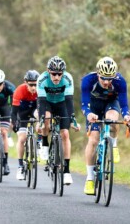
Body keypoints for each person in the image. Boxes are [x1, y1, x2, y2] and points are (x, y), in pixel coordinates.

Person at [81, 56, 130, 195]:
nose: (106, 81)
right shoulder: (88, 81)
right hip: (93, 106)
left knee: (112, 120)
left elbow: (124, 104)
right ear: (98, 73)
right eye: (103, 77)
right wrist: (88, 114)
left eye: (109, 78)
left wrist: (127, 115)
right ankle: (90, 179)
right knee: (93, 140)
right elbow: (84, 104)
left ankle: (114, 145)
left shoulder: (120, 82)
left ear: (114, 75)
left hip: (111, 103)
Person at [37, 56, 80, 185]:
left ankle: (66, 171)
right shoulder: (42, 79)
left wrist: (72, 119)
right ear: (48, 71)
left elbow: (69, 100)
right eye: (53, 74)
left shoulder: (67, 79)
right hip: (47, 103)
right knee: (47, 119)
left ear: (63, 73)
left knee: (65, 134)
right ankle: (44, 143)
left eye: (59, 74)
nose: (56, 77)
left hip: (62, 104)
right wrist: (41, 120)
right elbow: (41, 103)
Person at [11, 70, 40, 180]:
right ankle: (20, 166)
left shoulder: (40, 90)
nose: (33, 87)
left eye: (36, 84)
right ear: (25, 82)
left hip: (34, 111)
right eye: (31, 84)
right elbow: (13, 112)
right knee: (22, 138)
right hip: (22, 113)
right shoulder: (19, 90)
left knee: (39, 116)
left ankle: (39, 142)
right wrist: (14, 124)